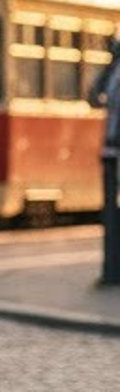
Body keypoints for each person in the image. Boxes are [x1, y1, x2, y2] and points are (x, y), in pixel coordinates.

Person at [86, 33, 120, 284]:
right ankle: (111, 271)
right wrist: (109, 66)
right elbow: (93, 97)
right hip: (111, 151)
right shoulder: (114, 72)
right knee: (110, 213)